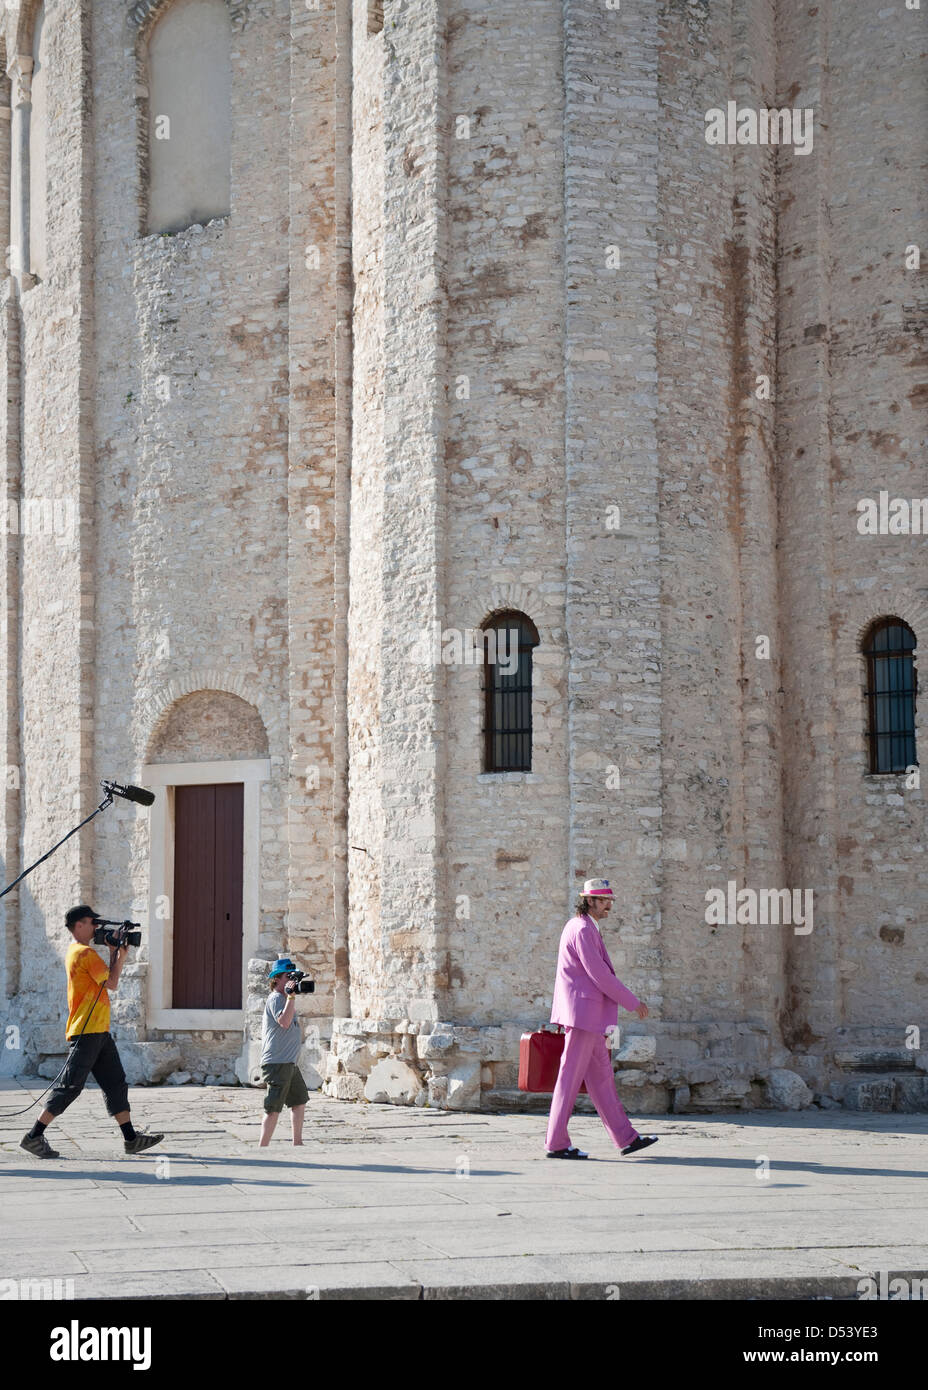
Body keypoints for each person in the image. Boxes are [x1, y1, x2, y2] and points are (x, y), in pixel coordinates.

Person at [20, 906, 164, 1159]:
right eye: (91, 923)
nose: (96, 927)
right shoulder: (85, 953)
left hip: (98, 1031)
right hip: (87, 1031)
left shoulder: (76, 951)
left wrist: (113, 953)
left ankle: (131, 1139)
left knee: (115, 1083)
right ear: (78, 925)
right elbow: (113, 983)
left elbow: (105, 981)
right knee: (70, 1086)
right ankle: (34, 1136)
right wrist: (118, 954)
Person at [545, 878, 659, 1159]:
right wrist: (632, 1002)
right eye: (604, 900)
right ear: (589, 901)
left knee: (602, 1079)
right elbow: (599, 974)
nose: (609, 905)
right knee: (569, 1079)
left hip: (589, 1017)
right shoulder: (582, 929)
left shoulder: (582, 927)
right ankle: (556, 1143)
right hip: (583, 1016)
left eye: (611, 900)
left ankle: (626, 1138)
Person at [259, 958, 309, 1147]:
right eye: (289, 977)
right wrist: (291, 997)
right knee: (273, 1108)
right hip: (277, 1062)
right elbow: (284, 1022)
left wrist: (291, 996)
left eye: (293, 977)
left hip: (289, 1063)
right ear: (277, 979)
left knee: (299, 1100)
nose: (292, 981)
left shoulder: (285, 998)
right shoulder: (276, 998)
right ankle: (262, 1147)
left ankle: (298, 1143)